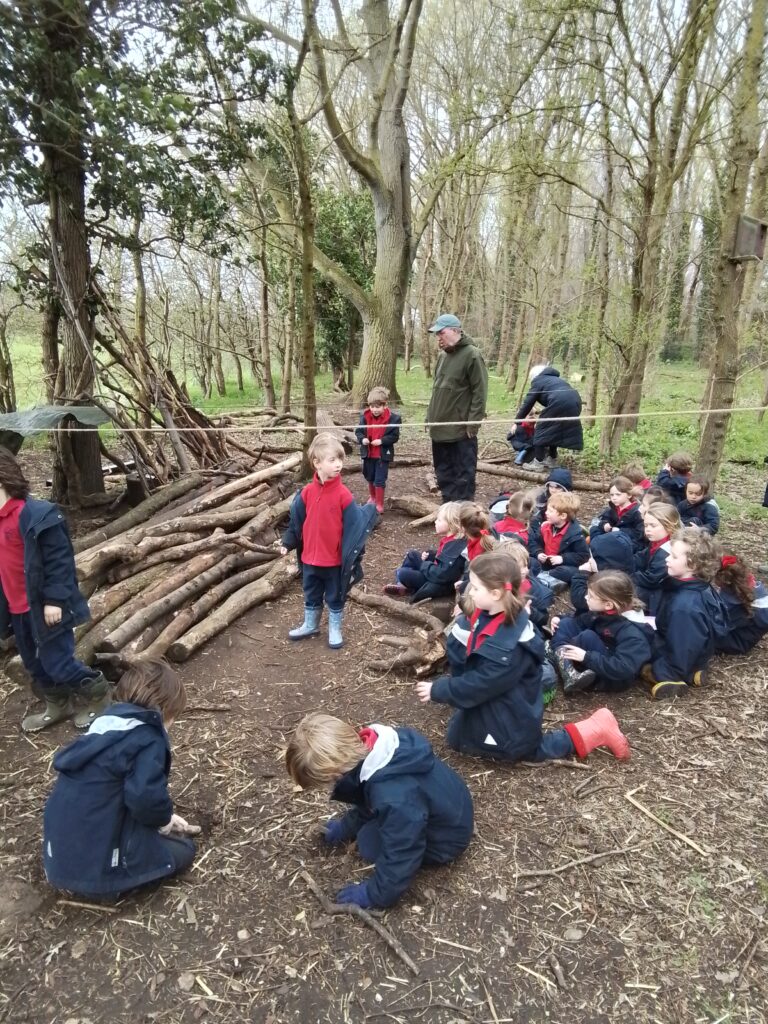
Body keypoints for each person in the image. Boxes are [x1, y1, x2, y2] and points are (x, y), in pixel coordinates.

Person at [414, 552, 630, 763]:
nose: (469, 593)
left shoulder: (509, 647)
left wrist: (440, 689)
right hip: (497, 703)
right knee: (457, 738)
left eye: (476, 588)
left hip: (510, 711)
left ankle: (595, 729)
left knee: (521, 750)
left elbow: (483, 683)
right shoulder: (493, 613)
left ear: (496, 594)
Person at [43, 659, 200, 899]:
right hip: (101, 871)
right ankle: (119, 880)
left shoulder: (103, 727)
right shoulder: (148, 737)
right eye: (174, 716)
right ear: (164, 708)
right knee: (184, 850)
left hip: (57, 860)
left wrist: (166, 816)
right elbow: (145, 798)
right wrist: (162, 821)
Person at [285, 713, 474, 909]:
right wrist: (345, 827)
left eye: (324, 784)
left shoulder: (392, 797)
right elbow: (366, 798)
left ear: (335, 774)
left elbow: (403, 850)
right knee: (378, 823)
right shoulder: (380, 744)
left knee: (368, 842)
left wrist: (374, 894)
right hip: (451, 803)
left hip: (447, 837)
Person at [0, 446, 110, 733]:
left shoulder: (38, 516)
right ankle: (58, 704)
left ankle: (99, 697)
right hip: (17, 609)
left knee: (57, 662)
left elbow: (60, 563)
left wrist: (55, 600)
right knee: (33, 665)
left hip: (45, 609)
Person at [280, 434, 378, 649]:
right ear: (317, 463)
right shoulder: (306, 493)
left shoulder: (344, 495)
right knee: (311, 591)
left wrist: (355, 555)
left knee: (335, 595)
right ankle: (311, 624)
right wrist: (287, 543)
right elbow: (296, 523)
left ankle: (334, 628)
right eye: (332, 460)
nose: (338, 465)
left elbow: (356, 528)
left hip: (333, 560)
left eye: (340, 460)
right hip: (310, 559)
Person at [644, 528, 726, 700]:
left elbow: (684, 645)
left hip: (679, 649)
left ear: (693, 564)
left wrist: (665, 671)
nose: (666, 559)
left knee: (634, 640)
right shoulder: (699, 584)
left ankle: (678, 676)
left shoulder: (685, 606)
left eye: (673, 556)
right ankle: (696, 668)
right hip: (697, 647)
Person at [550, 570, 653, 694]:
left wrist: (586, 657)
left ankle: (564, 663)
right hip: (599, 652)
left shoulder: (632, 632)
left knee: (587, 637)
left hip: (612, 677)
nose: (585, 597)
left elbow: (624, 668)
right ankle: (561, 658)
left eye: (591, 596)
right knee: (566, 624)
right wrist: (560, 620)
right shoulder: (606, 612)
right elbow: (582, 621)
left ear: (609, 605)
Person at [425, 314, 488, 502]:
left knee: (463, 474)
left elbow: (480, 393)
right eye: (436, 334)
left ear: (455, 330)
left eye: (441, 333)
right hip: (439, 428)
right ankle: (448, 508)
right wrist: (430, 417)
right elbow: (437, 391)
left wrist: (472, 424)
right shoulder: (442, 357)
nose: (438, 338)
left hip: (460, 431)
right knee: (443, 472)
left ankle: (464, 513)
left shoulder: (472, 355)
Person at [384, 501, 466, 601]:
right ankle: (402, 585)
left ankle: (407, 585)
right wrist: (431, 555)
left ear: (451, 524)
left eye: (439, 520)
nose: (435, 522)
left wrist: (424, 564)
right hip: (433, 572)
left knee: (402, 573)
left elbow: (442, 575)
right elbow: (442, 559)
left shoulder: (455, 547)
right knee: (412, 554)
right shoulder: (452, 540)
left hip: (436, 582)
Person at [514, 365, 583, 471]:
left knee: (542, 429)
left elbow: (528, 403)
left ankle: (538, 462)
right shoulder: (555, 379)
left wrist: (517, 422)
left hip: (559, 402)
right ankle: (552, 459)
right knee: (553, 431)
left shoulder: (539, 380)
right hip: (576, 402)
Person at [528, 491, 589, 590]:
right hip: (545, 563)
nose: (546, 513)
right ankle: (545, 578)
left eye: (550, 511)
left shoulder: (575, 534)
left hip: (562, 566)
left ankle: (544, 578)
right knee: (530, 561)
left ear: (563, 516)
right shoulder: (545, 527)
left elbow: (583, 556)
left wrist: (562, 559)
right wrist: (538, 553)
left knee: (568, 571)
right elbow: (535, 543)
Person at [354, 386, 401, 514]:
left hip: (381, 455)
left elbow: (394, 436)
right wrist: (362, 439)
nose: (374, 410)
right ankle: (373, 497)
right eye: (372, 407)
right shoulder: (365, 417)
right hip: (368, 454)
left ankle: (379, 504)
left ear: (384, 405)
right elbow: (358, 431)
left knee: (379, 479)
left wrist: (381, 441)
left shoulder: (393, 419)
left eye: (378, 407)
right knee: (369, 476)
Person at [713, 551, 768, 655]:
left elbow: (718, 626)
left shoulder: (734, 603)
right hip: (746, 634)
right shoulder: (749, 586)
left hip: (737, 642)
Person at [632, 502, 681, 615]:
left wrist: (628, 573)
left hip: (663, 594)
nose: (648, 529)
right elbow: (640, 557)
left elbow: (651, 580)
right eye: (646, 525)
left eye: (653, 526)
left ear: (669, 526)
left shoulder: (668, 550)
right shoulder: (656, 542)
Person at [589, 476, 645, 550]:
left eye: (618, 494)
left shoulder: (637, 511)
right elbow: (601, 520)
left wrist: (621, 531)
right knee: (594, 529)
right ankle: (595, 548)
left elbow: (639, 533)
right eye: (612, 495)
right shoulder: (612, 509)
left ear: (629, 495)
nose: (614, 498)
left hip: (628, 541)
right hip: (612, 537)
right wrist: (604, 524)